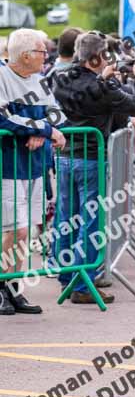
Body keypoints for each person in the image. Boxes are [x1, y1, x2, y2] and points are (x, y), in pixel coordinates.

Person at [52, 31, 135, 304]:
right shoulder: (101, 88)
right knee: (90, 221)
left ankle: (66, 278)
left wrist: (108, 77)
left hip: (66, 157)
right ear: (95, 58)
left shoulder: (61, 79)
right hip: (91, 158)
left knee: (66, 220)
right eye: (105, 54)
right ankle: (82, 284)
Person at [0, 29, 68, 315]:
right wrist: (40, 127)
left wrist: (41, 129)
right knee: (15, 230)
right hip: (8, 167)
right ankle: (2, 286)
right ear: (26, 54)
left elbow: (58, 114)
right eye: (42, 51)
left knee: (27, 232)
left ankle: (14, 287)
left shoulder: (40, 80)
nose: (47, 55)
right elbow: (3, 117)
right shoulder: (2, 77)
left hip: (36, 168)